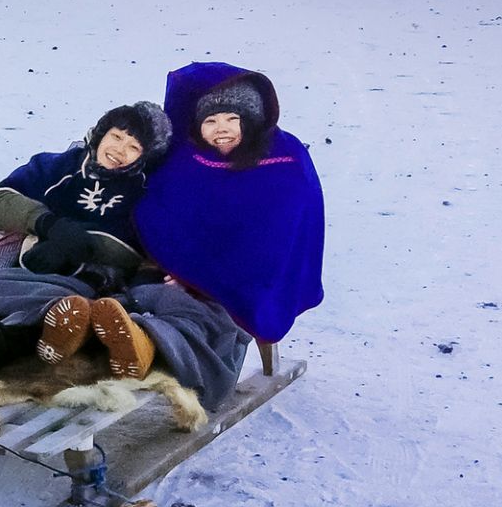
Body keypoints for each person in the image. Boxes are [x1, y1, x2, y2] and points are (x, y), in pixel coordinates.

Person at [84, 63, 326, 408]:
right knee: (143, 296)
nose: (221, 131)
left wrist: (199, 281)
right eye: (210, 122)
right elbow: (161, 208)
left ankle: (149, 351)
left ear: (252, 120)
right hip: (176, 273)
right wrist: (175, 265)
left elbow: (275, 241)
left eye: (232, 120)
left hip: (251, 281)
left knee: (202, 318)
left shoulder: (284, 161)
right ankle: (114, 344)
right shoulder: (190, 159)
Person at [0, 100, 171, 373]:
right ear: (101, 134)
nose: (119, 150)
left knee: (60, 306)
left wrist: (81, 246)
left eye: (133, 147)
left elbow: (141, 249)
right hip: (27, 255)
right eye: (116, 137)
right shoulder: (57, 166)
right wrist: (47, 225)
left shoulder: (143, 193)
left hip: (84, 275)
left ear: (145, 157)